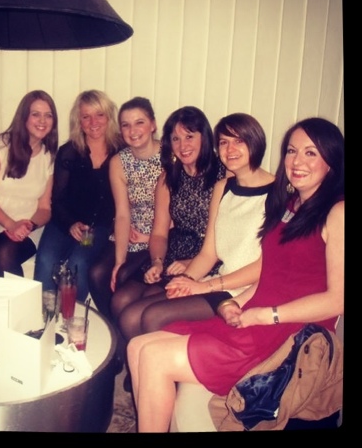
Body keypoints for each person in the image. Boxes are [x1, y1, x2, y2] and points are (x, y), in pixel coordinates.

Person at [127, 117, 344, 432]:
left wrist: (265, 315)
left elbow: (337, 300)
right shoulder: (290, 205)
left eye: (311, 153)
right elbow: (270, 275)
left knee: (154, 358)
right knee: (137, 347)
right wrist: (233, 304)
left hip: (288, 334)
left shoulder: (337, 212)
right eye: (292, 151)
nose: (297, 161)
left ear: (332, 161)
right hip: (254, 316)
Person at [118, 113, 274, 343]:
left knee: (150, 316)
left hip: (245, 289)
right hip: (217, 279)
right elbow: (209, 253)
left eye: (239, 141)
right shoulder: (223, 188)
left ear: (255, 141)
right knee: (131, 315)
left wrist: (203, 285)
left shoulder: (279, 194)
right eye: (224, 142)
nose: (230, 149)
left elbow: (267, 266)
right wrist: (186, 280)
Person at [111, 106, 227, 342]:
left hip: (209, 259)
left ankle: (142, 360)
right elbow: (160, 233)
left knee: (134, 316)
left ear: (204, 137)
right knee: (120, 300)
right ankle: (129, 358)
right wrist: (157, 261)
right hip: (173, 254)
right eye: (175, 139)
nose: (183, 145)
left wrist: (191, 263)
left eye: (189, 136)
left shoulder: (224, 175)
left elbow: (230, 238)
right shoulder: (168, 177)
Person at [33, 90, 124, 302]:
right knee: (46, 259)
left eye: (99, 115)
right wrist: (70, 224)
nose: (93, 122)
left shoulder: (121, 151)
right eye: (86, 116)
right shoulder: (69, 151)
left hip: (99, 226)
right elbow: (58, 199)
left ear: (109, 117)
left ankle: (69, 314)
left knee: (79, 263)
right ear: (78, 121)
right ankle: (41, 314)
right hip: (65, 221)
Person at [0, 90, 58, 288]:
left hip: (26, 225)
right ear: (24, 117)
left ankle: (17, 309)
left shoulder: (49, 157)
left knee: (4, 256)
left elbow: (44, 208)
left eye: (48, 115)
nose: (42, 121)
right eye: (36, 114)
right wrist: (10, 224)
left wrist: (28, 225)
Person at [88, 96, 162, 321]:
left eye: (140, 122)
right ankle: (113, 331)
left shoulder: (171, 156)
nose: (133, 130)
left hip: (162, 236)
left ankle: (123, 332)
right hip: (129, 233)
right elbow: (122, 214)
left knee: (123, 279)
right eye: (126, 125)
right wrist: (119, 260)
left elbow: (179, 211)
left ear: (153, 125)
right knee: (97, 274)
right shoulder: (119, 162)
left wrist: (149, 237)